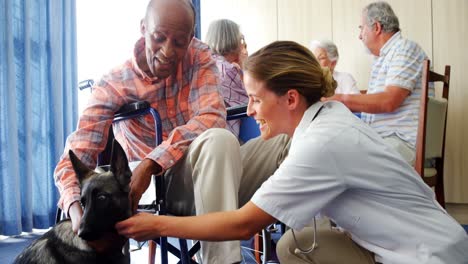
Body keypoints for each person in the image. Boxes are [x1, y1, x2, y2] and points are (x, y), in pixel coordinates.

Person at [115, 40, 468, 264]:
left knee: (294, 246)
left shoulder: (321, 144)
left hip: (426, 255)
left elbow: (243, 225)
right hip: (410, 240)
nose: (249, 110)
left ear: (291, 98)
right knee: (292, 247)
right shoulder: (326, 119)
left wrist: (157, 224)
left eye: (255, 99)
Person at [53, 0, 272, 262]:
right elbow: (74, 157)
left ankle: (304, 243)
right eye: (159, 38)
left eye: (180, 42)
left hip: (205, 171)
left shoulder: (200, 57)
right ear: (144, 28)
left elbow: (212, 116)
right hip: (152, 187)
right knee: (220, 140)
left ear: (191, 38)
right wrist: (75, 208)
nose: (168, 51)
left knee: (282, 137)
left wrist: (152, 161)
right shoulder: (114, 82)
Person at [322, 1, 431, 165]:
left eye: (361, 28)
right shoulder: (384, 57)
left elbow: (388, 101)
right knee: (326, 150)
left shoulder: (404, 49)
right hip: (386, 140)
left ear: (377, 27)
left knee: (336, 160)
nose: (360, 35)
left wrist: (337, 99)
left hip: (403, 144)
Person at [205, 18, 248, 137]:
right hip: (228, 139)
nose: (242, 44)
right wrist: (245, 66)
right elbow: (255, 100)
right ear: (231, 40)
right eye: (241, 39)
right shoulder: (228, 70)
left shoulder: (208, 64)